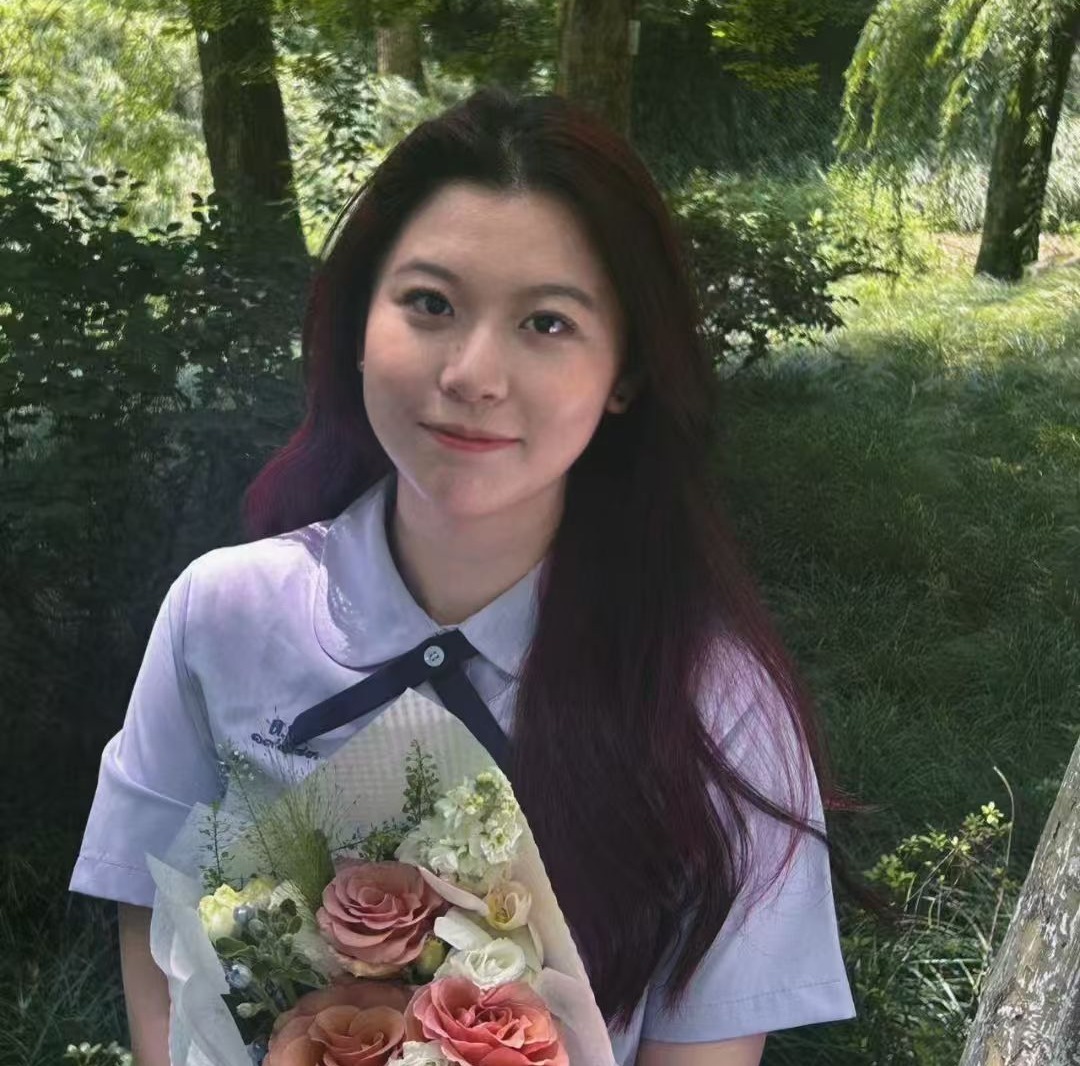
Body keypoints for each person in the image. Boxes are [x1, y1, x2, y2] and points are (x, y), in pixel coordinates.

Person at [71, 87, 857, 1066]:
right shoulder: (220, 614)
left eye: (547, 323)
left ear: (625, 373)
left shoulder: (719, 707)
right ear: (360, 325)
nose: (473, 374)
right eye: (431, 304)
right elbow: (153, 919)